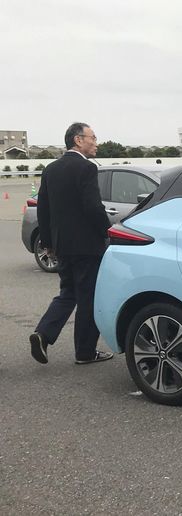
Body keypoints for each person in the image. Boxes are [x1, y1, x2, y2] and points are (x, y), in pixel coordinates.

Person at [30, 122, 113, 365]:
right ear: (78, 140)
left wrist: (48, 242)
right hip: (88, 246)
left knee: (68, 293)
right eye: (93, 138)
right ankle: (85, 353)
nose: (96, 142)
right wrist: (106, 232)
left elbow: (43, 209)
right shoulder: (86, 168)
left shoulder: (51, 168)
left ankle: (43, 334)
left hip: (62, 245)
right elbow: (92, 206)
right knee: (88, 298)